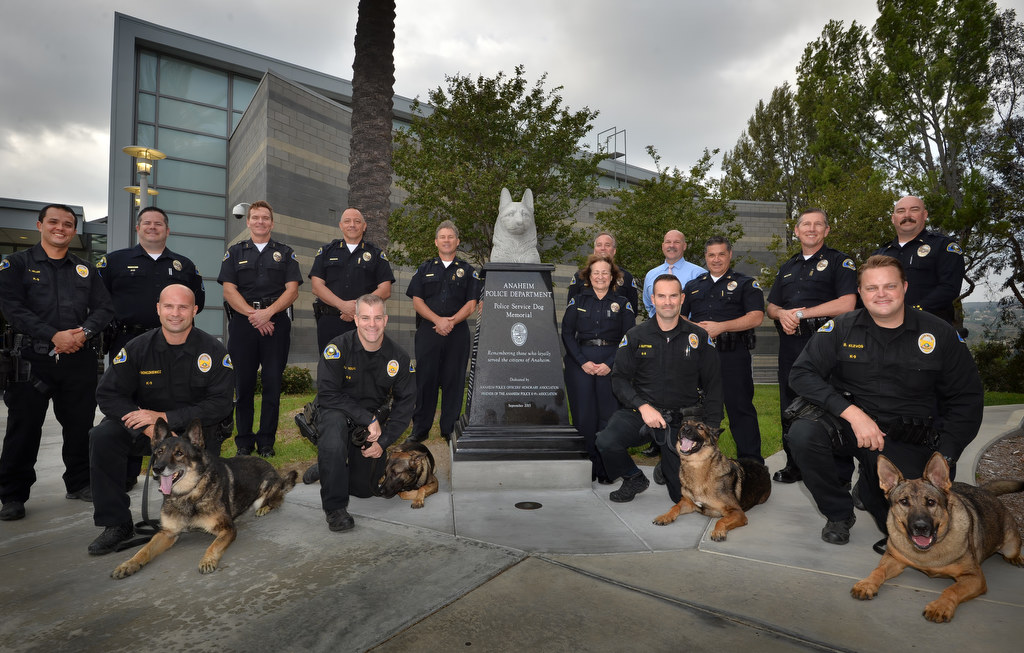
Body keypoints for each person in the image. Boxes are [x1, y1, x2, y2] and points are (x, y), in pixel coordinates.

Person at [786, 255, 983, 547]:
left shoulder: (939, 333)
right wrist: (852, 414)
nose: (880, 294)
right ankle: (839, 513)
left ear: (904, 287)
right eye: (871, 288)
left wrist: (945, 457)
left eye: (889, 286)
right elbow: (801, 373)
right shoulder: (841, 328)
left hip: (907, 437)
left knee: (910, 531)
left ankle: (868, 486)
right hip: (852, 426)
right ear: (861, 293)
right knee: (803, 434)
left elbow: (967, 398)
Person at [86, 284, 234, 554]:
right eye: (168, 306)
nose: (175, 313)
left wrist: (166, 417)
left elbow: (220, 403)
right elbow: (108, 393)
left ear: (194, 310)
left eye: (183, 307)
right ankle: (116, 524)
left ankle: (192, 516)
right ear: (158, 309)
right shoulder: (138, 347)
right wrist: (150, 426)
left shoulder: (213, 351)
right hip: (148, 432)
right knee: (103, 437)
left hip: (194, 437)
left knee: (209, 500)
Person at [0, 204, 114, 522]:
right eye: (54, 222)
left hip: (77, 359)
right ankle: (12, 495)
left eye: (67, 224)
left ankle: (78, 483)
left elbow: (104, 309)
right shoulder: (16, 264)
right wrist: (54, 335)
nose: (60, 228)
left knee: (79, 427)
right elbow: (12, 308)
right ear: (40, 225)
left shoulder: (85, 270)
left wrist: (84, 332)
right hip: (31, 360)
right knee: (23, 429)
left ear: (74, 231)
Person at [97, 205, 206, 489]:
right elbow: (98, 300)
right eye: (147, 223)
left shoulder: (185, 265)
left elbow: (198, 301)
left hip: (172, 343)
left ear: (167, 230)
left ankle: (173, 464)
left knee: (169, 398)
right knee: (129, 405)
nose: (153, 227)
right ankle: (127, 474)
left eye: (159, 224)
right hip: (128, 340)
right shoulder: (115, 262)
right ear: (138, 228)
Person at [596, 274, 723, 503]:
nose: (668, 302)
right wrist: (642, 406)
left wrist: (712, 429)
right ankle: (633, 477)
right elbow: (619, 379)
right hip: (643, 413)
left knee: (681, 498)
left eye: (673, 296)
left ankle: (667, 465)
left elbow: (714, 384)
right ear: (652, 299)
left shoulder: (699, 337)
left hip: (682, 420)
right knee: (606, 441)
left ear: (682, 298)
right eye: (662, 296)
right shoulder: (636, 335)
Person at [765, 208, 857, 484]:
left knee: (832, 407)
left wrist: (802, 313)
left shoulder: (840, 262)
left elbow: (847, 304)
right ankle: (795, 465)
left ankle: (839, 475)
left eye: (818, 224)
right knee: (790, 407)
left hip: (826, 346)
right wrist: (782, 314)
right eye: (806, 224)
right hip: (791, 347)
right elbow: (771, 306)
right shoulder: (788, 267)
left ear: (826, 231)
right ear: (796, 230)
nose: (812, 228)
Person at [314, 294, 415, 532]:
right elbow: (328, 394)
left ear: (386, 320)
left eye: (378, 318)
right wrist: (368, 419)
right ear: (356, 319)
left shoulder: (397, 357)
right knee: (333, 430)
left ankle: (329, 467)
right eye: (366, 318)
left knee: (364, 490)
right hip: (337, 412)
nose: (372, 324)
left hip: (371, 427)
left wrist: (384, 440)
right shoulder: (337, 348)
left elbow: (405, 403)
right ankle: (335, 509)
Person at [217, 200, 301, 457]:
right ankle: (243, 443)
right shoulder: (235, 252)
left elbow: (293, 290)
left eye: (265, 218)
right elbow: (229, 289)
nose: (260, 221)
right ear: (248, 221)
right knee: (243, 385)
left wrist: (268, 313)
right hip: (244, 323)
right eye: (255, 218)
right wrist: (254, 315)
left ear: (272, 223)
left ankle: (266, 442)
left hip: (276, 322)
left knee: (272, 384)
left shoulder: (285, 253)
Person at [682, 236, 765, 463]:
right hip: (699, 358)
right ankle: (696, 461)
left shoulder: (746, 284)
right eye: (711, 255)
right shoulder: (693, 286)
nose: (716, 259)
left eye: (721, 254)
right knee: (695, 412)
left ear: (729, 255)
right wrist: (695, 327)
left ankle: (752, 464)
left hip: (733, 356)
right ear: (705, 257)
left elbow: (756, 316)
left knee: (740, 410)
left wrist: (721, 327)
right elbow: (678, 315)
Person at [562, 254, 635, 483]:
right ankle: (587, 469)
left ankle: (606, 470)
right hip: (580, 363)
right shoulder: (578, 301)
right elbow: (566, 333)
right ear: (588, 276)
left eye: (605, 272)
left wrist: (610, 364)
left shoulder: (623, 304)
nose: (601, 276)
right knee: (584, 417)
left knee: (609, 417)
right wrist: (582, 361)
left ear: (612, 276)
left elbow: (628, 338)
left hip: (611, 363)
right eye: (596, 273)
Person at [405, 220, 480, 442]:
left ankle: (449, 428)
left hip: (457, 333)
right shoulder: (424, 268)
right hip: (429, 330)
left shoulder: (468, 271)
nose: (446, 240)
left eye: (451, 237)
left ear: (457, 241)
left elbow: (471, 303)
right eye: (442, 237)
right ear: (436, 242)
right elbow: (417, 301)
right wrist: (438, 320)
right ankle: (420, 428)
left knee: (454, 380)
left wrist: (451, 322)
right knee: (425, 380)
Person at [309, 208, 394, 351]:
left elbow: (385, 290)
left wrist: (357, 308)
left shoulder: (376, 254)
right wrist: (342, 305)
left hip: (365, 324)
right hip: (330, 321)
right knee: (330, 368)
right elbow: (317, 287)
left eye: (357, 221)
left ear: (364, 226)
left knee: (364, 369)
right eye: (347, 221)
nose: (352, 225)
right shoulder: (326, 252)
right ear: (340, 225)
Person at [873, 195, 965, 326]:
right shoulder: (880, 253)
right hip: (884, 328)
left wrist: (912, 312)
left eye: (914, 210)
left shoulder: (943, 246)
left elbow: (949, 288)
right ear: (893, 219)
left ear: (925, 214)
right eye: (901, 211)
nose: (907, 215)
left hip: (929, 327)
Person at [567, 231, 640, 313]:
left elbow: (632, 311)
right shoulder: (580, 276)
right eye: (599, 245)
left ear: (614, 251)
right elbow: (571, 309)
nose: (603, 248)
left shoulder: (626, 277)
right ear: (594, 250)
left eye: (607, 245)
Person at [642, 230, 705, 318]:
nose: (671, 245)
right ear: (663, 246)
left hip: (688, 329)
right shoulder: (650, 274)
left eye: (677, 242)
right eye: (668, 242)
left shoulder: (699, 274)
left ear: (684, 246)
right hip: (655, 329)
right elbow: (648, 305)